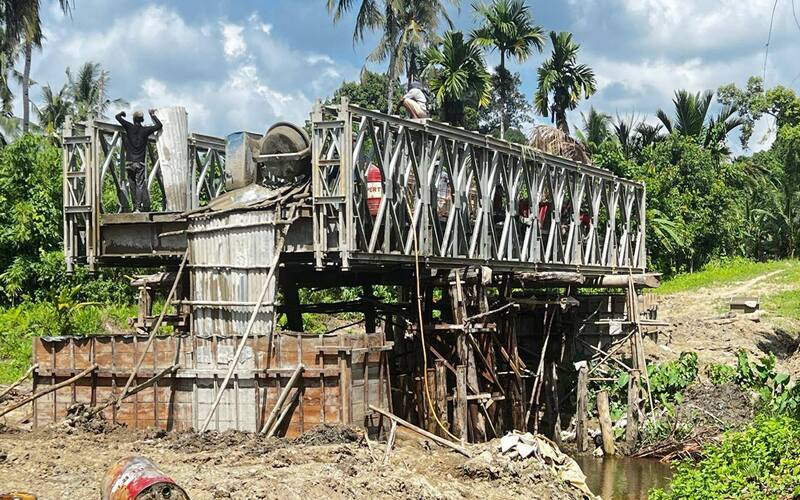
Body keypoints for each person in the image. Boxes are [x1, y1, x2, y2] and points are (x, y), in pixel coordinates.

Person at [115, 109, 162, 212]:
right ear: (142, 120)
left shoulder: (129, 127)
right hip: (139, 163)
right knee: (139, 185)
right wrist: (152, 115)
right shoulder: (145, 130)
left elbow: (117, 117)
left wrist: (122, 113)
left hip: (129, 162)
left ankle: (133, 207)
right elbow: (159, 126)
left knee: (132, 185)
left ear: (133, 119)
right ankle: (137, 208)